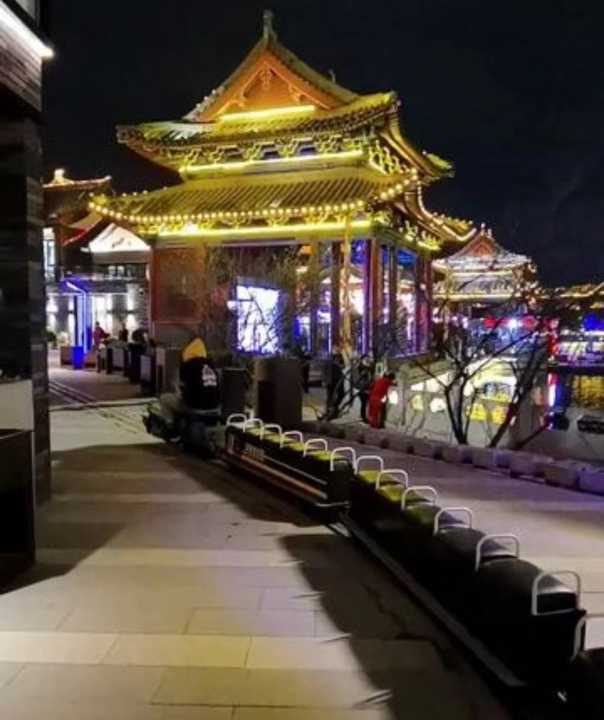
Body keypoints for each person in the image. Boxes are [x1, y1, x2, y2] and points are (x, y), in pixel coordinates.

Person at [326, 345, 345, 419]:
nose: (338, 349)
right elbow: (327, 369)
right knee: (330, 396)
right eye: (336, 348)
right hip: (331, 380)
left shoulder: (340, 356)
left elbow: (343, 365)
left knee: (341, 394)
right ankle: (329, 412)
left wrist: (340, 365)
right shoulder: (330, 357)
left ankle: (335, 408)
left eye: (339, 348)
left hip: (339, 379)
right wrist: (326, 380)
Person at [355, 354, 375, 423]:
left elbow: (371, 376)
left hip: (367, 388)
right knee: (364, 403)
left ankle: (365, 416)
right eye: (366, 359)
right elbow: (359, 377)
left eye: (368, 359)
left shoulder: (369, 368)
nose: (368, 360)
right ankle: (364, 417)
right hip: (362, 389)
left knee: (365, 403)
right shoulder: (360, 367)